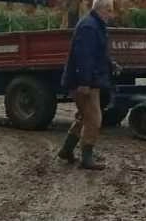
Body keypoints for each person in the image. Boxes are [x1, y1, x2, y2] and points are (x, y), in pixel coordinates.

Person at [56, 0, 117, 170]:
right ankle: (86, 158)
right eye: (110, 11)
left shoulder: (93, 25)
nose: (111, 16)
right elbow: (84, 57)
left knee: (84, 116)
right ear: (102, 9)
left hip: (88, 80)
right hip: (85, 82)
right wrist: (84, 82)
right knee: (94, 119)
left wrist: (111, 64)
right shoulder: (90, 27)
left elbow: (98, 53)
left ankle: (66, 150)